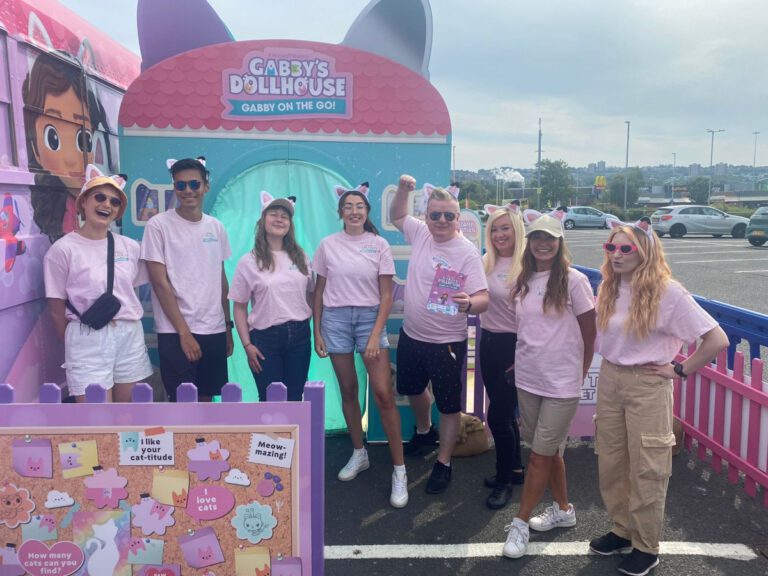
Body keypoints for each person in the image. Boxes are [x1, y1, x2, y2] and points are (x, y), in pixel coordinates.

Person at [589, 218, 728, 576]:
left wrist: (680, 369)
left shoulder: (668, 292)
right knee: (612, 460)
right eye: (611, 247)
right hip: (611, 378)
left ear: (645, 251)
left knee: (648, 468)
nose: (616, 254)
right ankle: (622, 530)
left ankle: (646, 546)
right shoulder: (611, 286)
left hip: (646, 384)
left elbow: (716, 339)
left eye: (625, 248)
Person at [502, 211, 596, 559]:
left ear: (560, 243)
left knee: (539, 455)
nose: (543, 244)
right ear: (530, 243)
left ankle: (520, 523)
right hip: (528, 379)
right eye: (537, 237)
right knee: (549, 449)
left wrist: (580, 371)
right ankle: (564, 510)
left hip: (561, 384)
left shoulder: (574, 281)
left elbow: (590, 332)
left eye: (550, 238)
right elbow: (527, 328)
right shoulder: (523, 279)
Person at [389, 175, 489, 494]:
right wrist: (404, 191)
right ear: (427, 217)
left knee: (448, 406)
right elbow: (397, 216)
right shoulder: (420, 233)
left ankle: (444, 462)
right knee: (412, 389)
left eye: (449, 215)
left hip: (447, 342)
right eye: (435, 215)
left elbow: (484, 298)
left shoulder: (467, 252)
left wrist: (470, 303)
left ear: (458, 218)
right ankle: (423, 431)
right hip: (412, 336)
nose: (442, 220)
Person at [313, 183, 408, 508]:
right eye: (348, 206)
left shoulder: (378, 244)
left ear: (366, 213)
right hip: (335, 320)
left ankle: (399, 470)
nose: (354, 211)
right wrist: (318, 331)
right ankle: (359, 453)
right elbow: (319, 292)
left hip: (370, 318)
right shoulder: (327, 245)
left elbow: (386, 295)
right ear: (340, 213)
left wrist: (373, 334)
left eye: (359, 206)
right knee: (348, 390)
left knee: (383, 393)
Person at [43, 165, 152, 402]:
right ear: (83, 202)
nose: (107, 205)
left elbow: (132, 288)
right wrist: (80, 340)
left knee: (128, 416)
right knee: (95, 418)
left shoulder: (130, 247)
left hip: (129, 335)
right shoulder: (62, 250)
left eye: (114, 202)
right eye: (100, 197)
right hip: (86, 334)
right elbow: (55, 308)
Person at [141, 157, 233, 402]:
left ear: (206, 186)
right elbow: (160, 284)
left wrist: (227, 326)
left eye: (194, 184)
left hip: (213, 328)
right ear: (174, 188)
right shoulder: (158, 226)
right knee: (182, 404)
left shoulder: (217, 227)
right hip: (175, 331)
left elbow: (220, 279)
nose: (188, 191)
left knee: (206, 400)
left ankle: (202, 443)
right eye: (181, 186)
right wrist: (184, 333)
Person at [229, 192, 313, 402]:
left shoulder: (301, 256)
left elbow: (311, 294)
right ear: (262, 221)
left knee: (294, 398)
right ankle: (270, 437)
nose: (279, 219)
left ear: (290, 224)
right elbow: (239, 307)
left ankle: (293, 437)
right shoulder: (249, 261)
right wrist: (248, 345)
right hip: (265, 340)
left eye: (285, 216)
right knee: (270, 400)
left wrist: (307, 323)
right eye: (273, 214)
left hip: (300, 336)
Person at [478, 203, 526, 510]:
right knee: (505, 414)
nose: (499, 234)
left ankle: (504, 480)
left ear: (517, 230)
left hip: (515, 346)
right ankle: (517, 469)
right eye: (494, 229)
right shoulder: (485, 261)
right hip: (489, 342)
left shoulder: (528, 265)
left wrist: (522, 353)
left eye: (505, 228)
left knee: (498, 415)